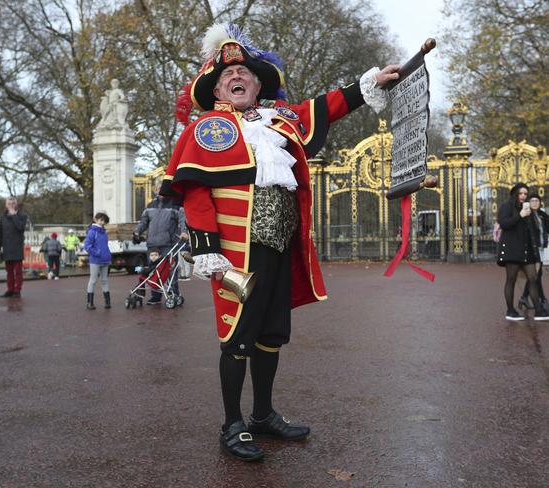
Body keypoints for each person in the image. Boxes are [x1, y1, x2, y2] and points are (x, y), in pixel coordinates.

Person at [160, 23, 401, 461]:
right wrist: (205, 249)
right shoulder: (207, 130)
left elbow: (323, 107)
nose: (237, 78)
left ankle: (263, 414)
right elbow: (195, 193)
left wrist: (367, 86)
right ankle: (232, 424)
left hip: (277, 248)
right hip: (233, 256)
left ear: (258, 83)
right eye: (227, 75)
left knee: (271, 332)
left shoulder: (279, 120)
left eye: (246, 74)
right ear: (216, 87)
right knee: (237, 334)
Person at [497, 183, 549, 321]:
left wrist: (536, 255)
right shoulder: (506, 206)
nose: (523, 196)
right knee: (511, 280)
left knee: (533, 278)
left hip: (527, 250)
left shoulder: (527, 209)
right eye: (520, 193)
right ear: (515, 194)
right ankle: (510, 310)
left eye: (525, 194)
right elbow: (504, 224)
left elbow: (531, 231)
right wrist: (519, 215)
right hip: (512, 249)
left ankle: (538, 310)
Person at [133, 183, 189, 298]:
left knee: (170, 270)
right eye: (158, 189)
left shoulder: (175, 204)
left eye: (163, 188)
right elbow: (143, 222)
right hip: (152, 244)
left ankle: (174, 294)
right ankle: (156, 296)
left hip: (169, 244)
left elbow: (183, 220)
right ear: (155, 190)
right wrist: (137, 232)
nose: (160, 191)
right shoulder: (150, 205)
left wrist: (184, 232)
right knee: (154, 271)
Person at [518, 192, 549, 309]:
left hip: (541, 249)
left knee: (535, 275)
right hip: (531, 250)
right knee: (537, 274)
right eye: (532, 201)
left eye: (537, 201)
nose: (535, 203)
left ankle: (524, 298)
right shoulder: (527, 215)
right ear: (528, 203)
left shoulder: (542, 215)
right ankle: (542, 300)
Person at [0, 196, 28, 298]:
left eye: (13, 203)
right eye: (9, 204)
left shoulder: (22, 216)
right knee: (9, 272)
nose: (11, 205)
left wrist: (14, 216)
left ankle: (17, 290)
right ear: (6, 205)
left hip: (17, 248)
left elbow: (20, 227)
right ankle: (10, 290)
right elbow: (0, 233)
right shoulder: (2, 217)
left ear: (16, 204)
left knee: (18, 272)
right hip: (6, 248)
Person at [84, 212, 111, 310]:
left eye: (104, 221)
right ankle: (89, 303)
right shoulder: (92, 231)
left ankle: (108, 302)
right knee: (93, 280)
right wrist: (97, 253)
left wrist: (108, 254)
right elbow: (87, 246)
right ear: (96, 219)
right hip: (96, 260)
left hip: (105, 259)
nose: (103, 222)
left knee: (104, 280)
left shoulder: (104, 232)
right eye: (101, 220)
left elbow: (105, 245)